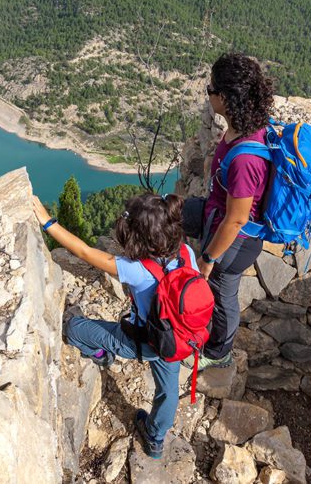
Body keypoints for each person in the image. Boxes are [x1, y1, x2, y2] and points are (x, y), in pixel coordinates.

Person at [31, 192, 196, 460]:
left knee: (74, 329)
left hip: (138, 342)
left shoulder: (136, 270)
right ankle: (155, 439)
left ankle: (101, 354)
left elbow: (84, 251)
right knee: (169, 391)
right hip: (175, 342)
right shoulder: (186, 253)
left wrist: (48, 222)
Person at [182, 52, 274, 371]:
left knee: (222, 294)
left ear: (225, 97)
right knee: (169, 211)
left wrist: (208, 259)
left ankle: (220, 352)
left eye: (211, 88)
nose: (207, 93)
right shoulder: (241, 126)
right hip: (215, 217)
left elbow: (236, 219)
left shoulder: (246, 160)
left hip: (235, 242)